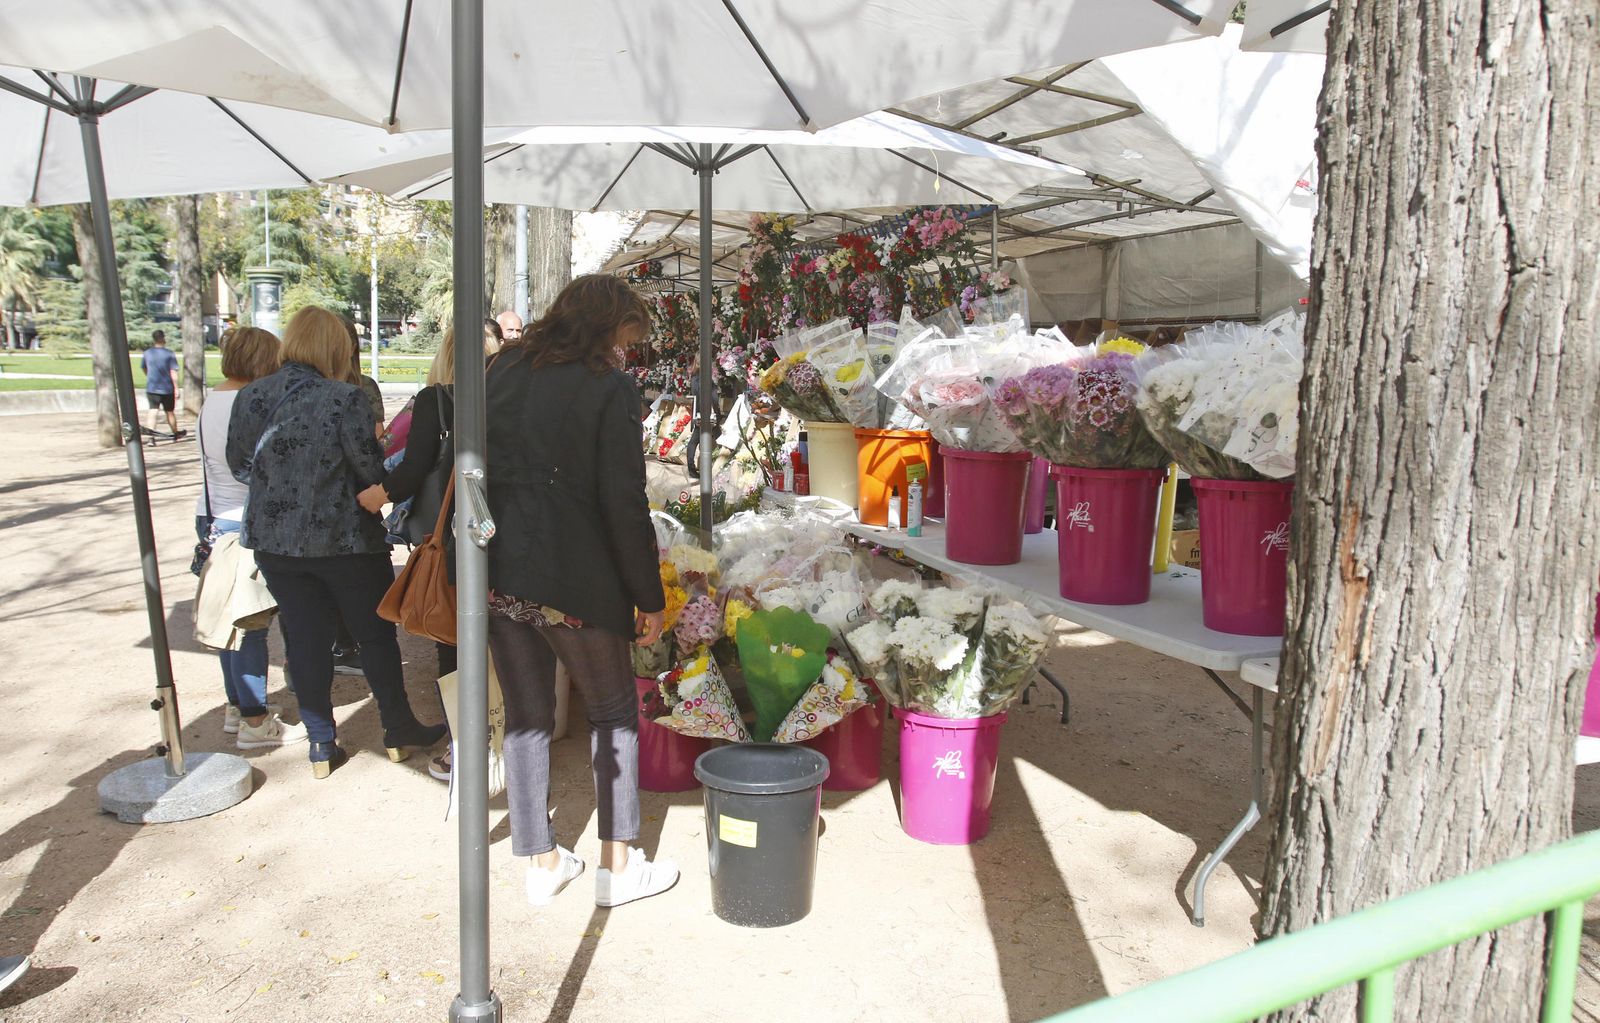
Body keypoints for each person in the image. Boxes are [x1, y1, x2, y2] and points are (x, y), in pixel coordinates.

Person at [485, 274, 677, 908]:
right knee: (613, 713)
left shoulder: (503, 368)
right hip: (575, 576)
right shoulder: (606, 387)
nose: (630, 349)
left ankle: (541, 861)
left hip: (501, 569)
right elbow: (623, 500)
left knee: (528, 718)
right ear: (608, 325)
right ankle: (617, 868)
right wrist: (648, 595)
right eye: (629, 335)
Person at [227, 306, 446, 779]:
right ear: (335, 348)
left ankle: (321, 742)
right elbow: (371, 470)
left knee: (304, 638)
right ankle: (397, 727)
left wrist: (283, 486)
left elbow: (240, 464)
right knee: (374, 635)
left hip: (275, 541)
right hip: (343, 538)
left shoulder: (251, 395)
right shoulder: (345, 397)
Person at [197, 327, 305, 749]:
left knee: (232, 622)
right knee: (250, 623)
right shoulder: (249, 403)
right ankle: (256, 721)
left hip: (215, 518)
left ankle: (237, 706)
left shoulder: (212, 400)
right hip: (247, 522)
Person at [141, 329, 183, 438]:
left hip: (152, 387)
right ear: (163, 338)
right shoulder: (169, 354)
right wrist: (176, 388)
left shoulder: (147, 353)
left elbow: (144, 368)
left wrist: (149, 376)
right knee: (169, 412)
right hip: (167, 388)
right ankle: (175, 433)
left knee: (153, 410)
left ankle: (151, 436)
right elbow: (173, 371)